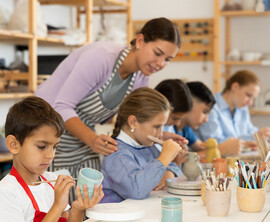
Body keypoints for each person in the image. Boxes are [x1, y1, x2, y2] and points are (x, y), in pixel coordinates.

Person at [35, 18, 182, 188]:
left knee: (87, 196)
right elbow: (61, 107)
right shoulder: (101, 57)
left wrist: (158, 135)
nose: (160, 64)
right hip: (45, 130)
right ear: (140, 41)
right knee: (52, 200)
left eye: (168, 59)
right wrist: (91, 139)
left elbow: (132, 121)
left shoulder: (141, 77)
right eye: (157, 53)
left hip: (81, 137)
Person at [0, 96, 104, 222]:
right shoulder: (6, 192)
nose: (50, 155)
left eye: (55, 147)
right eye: (42, 147)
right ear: (14, 145)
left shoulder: (52, 181)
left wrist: (78, 208)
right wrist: (56, 207)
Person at [100, 87, 182, 203]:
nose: (160, 133)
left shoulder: (147, 146)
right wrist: (165, 157)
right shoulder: (116, 154)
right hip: (116, 217)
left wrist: (169, 173)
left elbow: (172, 167)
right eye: (156, 127)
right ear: (133, 122)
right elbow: (137, 190)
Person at [195, 70, 270, 156]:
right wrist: (254, 137)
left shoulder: (242, 107)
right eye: (248, 95)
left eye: (253, 98)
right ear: (235, 87)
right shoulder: (211, 106)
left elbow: (250, 130)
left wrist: (264, 135)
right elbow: (214, 142)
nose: (250, 103)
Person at [164, 81, 216, 156]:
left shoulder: (185, 128)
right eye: (204, 112)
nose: (206, 120)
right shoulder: (169, 125)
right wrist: (223, 149)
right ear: (190, 103)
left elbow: (202, 147)